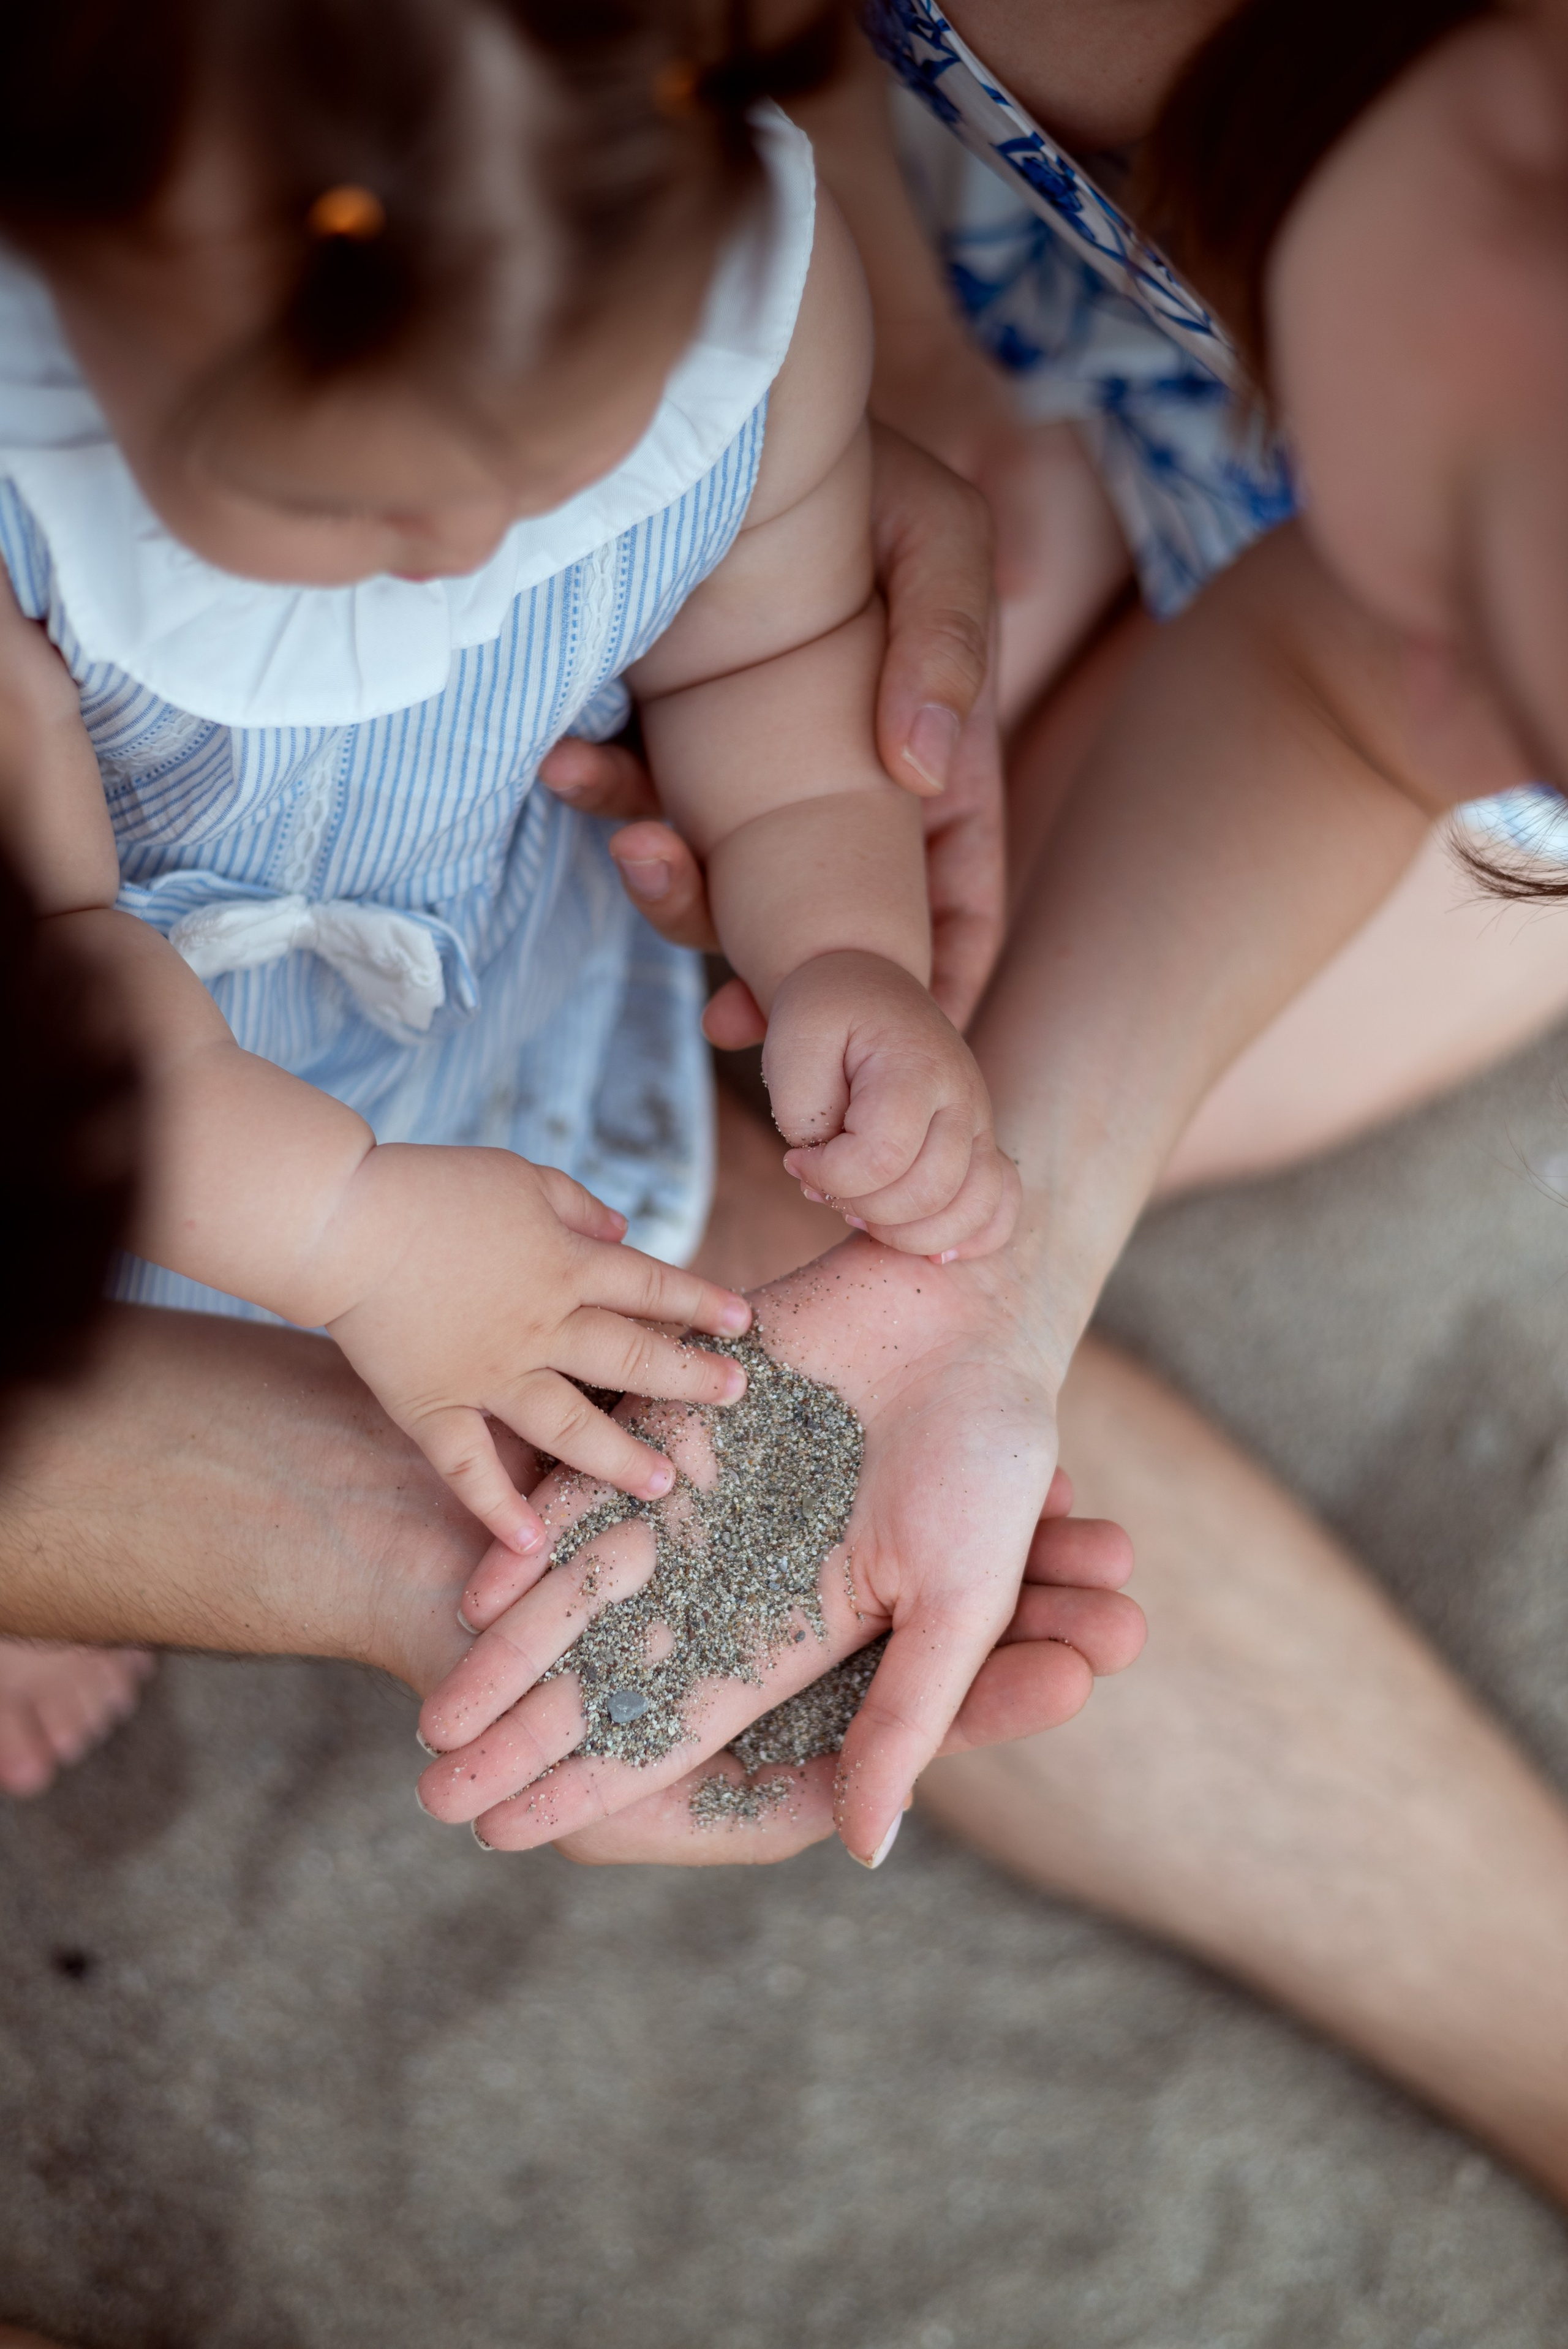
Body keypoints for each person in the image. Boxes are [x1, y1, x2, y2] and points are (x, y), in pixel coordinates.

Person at [410, 0, 1568, 2196]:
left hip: (1231, 362)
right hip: (914, 185)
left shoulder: (1466, 557)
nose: (1463, 724)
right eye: (1494, 617)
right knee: (633, 1102)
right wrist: (820, 323)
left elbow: (1355, 701)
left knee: (854, 1086)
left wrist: (1001, 1281)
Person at [0, 0, 1061, 1817]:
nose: (465, 543)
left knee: (546, 1301)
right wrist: (354, 1235)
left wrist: (840, 943)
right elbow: (65, 994)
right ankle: (63, 1541)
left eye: (556, 467)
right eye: (346, 496)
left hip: (469, 993)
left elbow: (780, 667)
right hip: (83, 1108)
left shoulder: (742, 302)